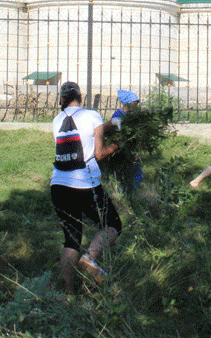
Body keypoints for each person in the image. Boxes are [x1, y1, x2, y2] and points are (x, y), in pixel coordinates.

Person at [50, 80, 121, 293]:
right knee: (113, 225)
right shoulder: (91, 115)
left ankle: (70, 293)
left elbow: (85, 134)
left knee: (71, 240)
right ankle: (90, 259)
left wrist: (111, 124)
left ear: (62, 100)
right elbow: (98, 153)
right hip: (85, 184)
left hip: (59, 186)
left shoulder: (56, 120)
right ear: (80, 97)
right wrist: (118, 144)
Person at [110, 89, 143, 188]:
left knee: (134, 169)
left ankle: (133, 190)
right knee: (124, 172)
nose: (136, 106)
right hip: (122, 150)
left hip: (130, 150)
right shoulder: (118, 115)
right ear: (127, 103)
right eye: (134, 103)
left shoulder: (129, 116)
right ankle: (123, 191)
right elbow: (119, 133)